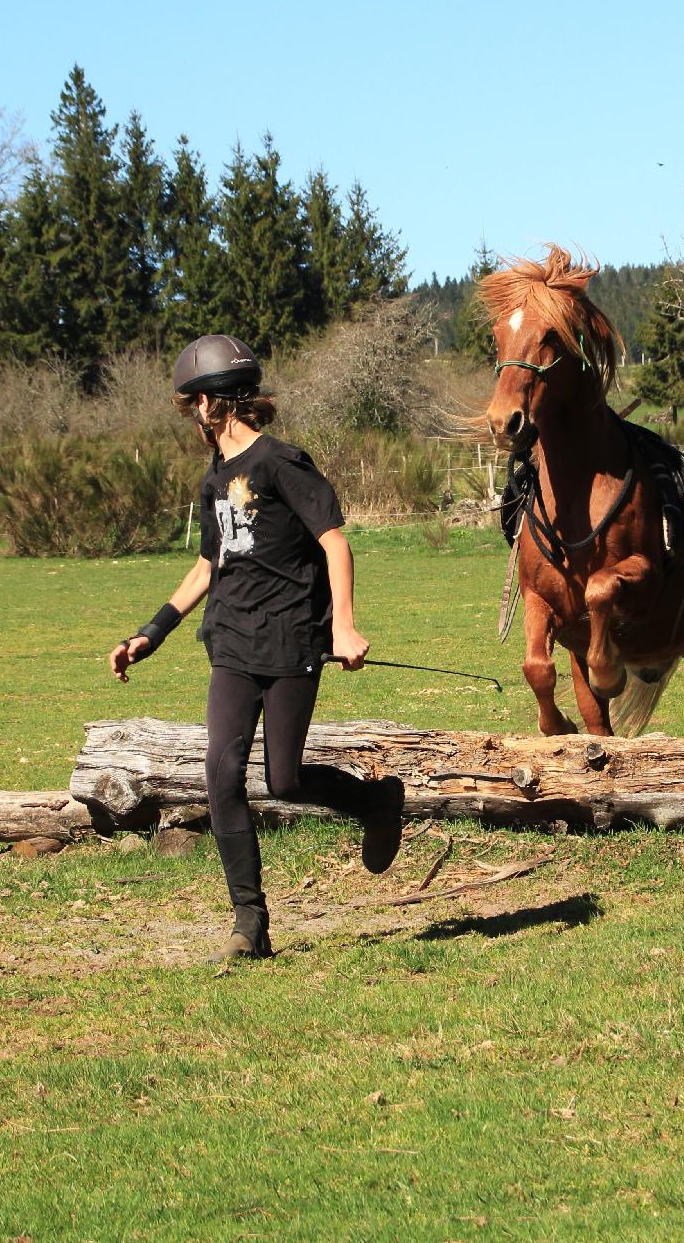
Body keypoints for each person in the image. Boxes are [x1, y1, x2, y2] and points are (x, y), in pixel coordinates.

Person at [108, 334, 404, 962]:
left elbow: (334, 542)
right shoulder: (215, 477)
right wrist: (150, 633)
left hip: (293, 636)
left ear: (215, 403)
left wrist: (344, 626)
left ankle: (377, 802)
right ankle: (251, 924)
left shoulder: (280, 464)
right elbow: (207, 566)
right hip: (233, 641)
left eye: (194, 403)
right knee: (222, 774)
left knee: (287, 781)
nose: (191, 415)